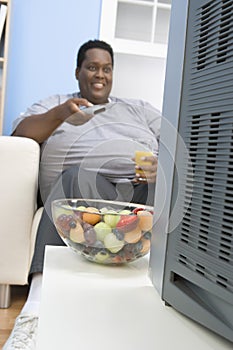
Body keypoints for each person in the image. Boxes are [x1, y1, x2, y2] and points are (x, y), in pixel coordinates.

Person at [3, 39, 161, 350]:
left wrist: (163, 168)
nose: (100, 75)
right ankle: (34, 311)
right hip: (82, 193)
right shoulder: (57, 105)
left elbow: (182, 138)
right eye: (92, 67)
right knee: (74, 178)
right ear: (78, 72)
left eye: (107, 69)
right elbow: (20, 134)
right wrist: (61, 114)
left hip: (137, 196)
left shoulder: (138, 109)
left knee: (173, 184)